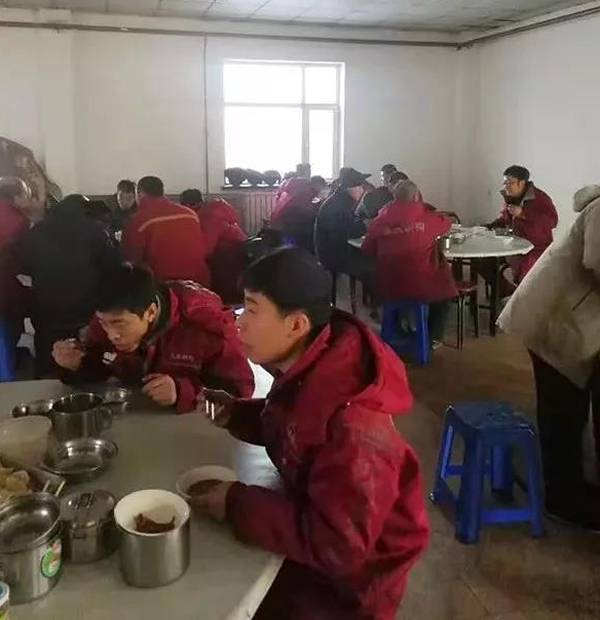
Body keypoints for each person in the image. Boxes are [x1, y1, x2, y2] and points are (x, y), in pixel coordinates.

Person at [193, 248, 429, 619]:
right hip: (318, 533)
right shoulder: (313, 364)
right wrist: (236, 414)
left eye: (252, 310)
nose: (239, 323)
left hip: (353, 583)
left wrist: (236, 504)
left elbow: (341, 546)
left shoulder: (354, 428)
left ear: (296, 325)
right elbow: (294, 424)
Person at [498, 184, 600, 530]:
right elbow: (597, 262)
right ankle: (561, 499)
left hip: (572, 322)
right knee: (562, 413)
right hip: (554, 319)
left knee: (570, 412)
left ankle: (571, 487)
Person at [52, 263, 254, 412]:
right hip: (139, 421)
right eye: (104, 322)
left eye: (120, 324)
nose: (112, 335)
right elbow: (100, 369)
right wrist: (75, 365)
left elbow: (239, 393)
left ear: (150, 312)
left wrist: (183, 392)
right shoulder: (106, 318)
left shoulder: (203, 325)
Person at [17, 194, 119, 377]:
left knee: (47, 351)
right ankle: (79, 381)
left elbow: (22, 264)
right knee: (83, 352)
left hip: (46, 308)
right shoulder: (96, 231)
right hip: (85, 308)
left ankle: (45, 381)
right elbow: (112, 267)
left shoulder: (37, 231)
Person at [362, 180, 456, 345]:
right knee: (445, 293)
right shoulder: (427, 218)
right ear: (416, 196)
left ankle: (395, 329)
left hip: (387, 284)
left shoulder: (380, 218)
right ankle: (433, 337)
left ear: (394, 196)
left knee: (394, 294)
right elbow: (446, 223)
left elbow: (367, 249)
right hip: (419, 285)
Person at [122, 176, 210, 286]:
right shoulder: (190, 214)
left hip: (163, 288)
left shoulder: (137, 222)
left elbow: (131, 261)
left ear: (139, 194)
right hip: (199, 283)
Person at [489, 165, 558, 283]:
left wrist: (523, 214)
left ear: (521, 183)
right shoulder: (510, 197)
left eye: (510, 183)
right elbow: (505, 218)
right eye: (505, 183)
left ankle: (518, 293)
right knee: (485, 260)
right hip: (512, 245)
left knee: (526, 269)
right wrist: (489, 227)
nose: (506, 186)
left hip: (536, 247)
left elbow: (552, 221)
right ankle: (502, 291)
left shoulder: (540, 198)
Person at [180, 189, 247, 304]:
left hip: (230, 255)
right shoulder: (213, 211)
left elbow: (207, 248)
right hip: (238, 251)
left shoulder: (208, 218)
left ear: (191, 205)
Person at [314, 167, 374, 284]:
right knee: (374, 265)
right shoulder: (337, 205)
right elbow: (344, 232)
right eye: (359, 187)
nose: (362, 191)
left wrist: (362, 224)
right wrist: (365, 227)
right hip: (332, 255)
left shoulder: (341, 201)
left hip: (334, 250)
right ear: (349, 188)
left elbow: (348, 224)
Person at [0, 177, 33, 361]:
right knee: (10, 328)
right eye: (26, 194)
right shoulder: (18, 220)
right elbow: (23, 258)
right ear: (16, 196)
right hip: (7, 287)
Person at [269, 176, 327, 252]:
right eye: (321, 188)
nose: (320, 191)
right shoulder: (305, 191)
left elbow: (299, 206)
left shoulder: (297, 187)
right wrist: (321, 206)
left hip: (278, 221)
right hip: (285, 226)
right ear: (317, 185)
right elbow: (306, 211)